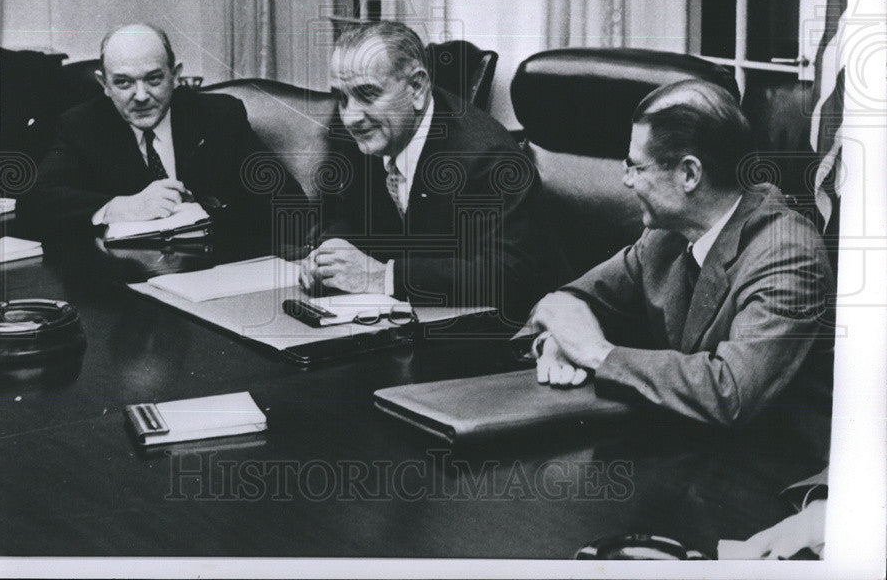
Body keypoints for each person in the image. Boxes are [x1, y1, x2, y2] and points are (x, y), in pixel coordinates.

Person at [522, 79, 834, 437]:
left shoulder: (788, 255)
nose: (626, 181)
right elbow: (568, 300)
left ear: (689, 174)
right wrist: (555, 344)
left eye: (636, 167)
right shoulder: (664, 238)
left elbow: (729, 392)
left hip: (770, 467)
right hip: (686, 447)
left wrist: (596, 353)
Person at [300, 21, 553, 323]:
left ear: (416, 88)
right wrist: (329, 253)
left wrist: (385, 276)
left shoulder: (489, 157)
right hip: (403, 322)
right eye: (342, 98)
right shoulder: (362, 133)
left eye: (367, 94)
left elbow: (508, 273)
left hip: (494, 334)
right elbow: (346, 214)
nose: (351, 116)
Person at [19, 23, 297, 251]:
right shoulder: (82, 125)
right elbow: (33, 206)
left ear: (175, 76)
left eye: (153, 79)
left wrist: (205, 213)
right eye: (124, 82)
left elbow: (289, 203)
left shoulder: (219, 116)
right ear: (104, 84)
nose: (140, 96)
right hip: (124, 285)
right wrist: (117, 207)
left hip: (211, 271)